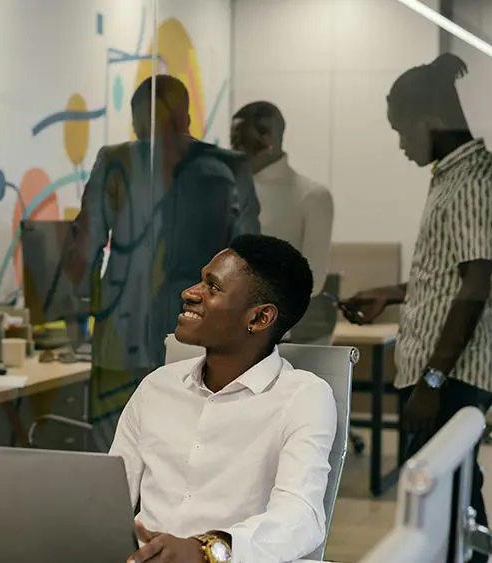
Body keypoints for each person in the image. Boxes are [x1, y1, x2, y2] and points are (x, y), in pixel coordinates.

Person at [341, 53, 492, 561]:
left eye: (401, 131)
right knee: (451, 498)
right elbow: (446, 274)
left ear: (428, 122)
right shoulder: (451, 175)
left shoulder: (474, 179)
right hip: (441, 370)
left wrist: (433, 381)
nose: (401, 144)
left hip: (453, 374)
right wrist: (390, 294)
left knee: (447, 501)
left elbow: (475, 286)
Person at [111, 234, 336, 563]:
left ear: (259, 318)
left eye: (212, 287)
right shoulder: (157, 387)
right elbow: (110, 499)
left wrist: (205, 551)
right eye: (200, 281)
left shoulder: (302, 396)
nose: (190, 293)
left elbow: (301, 517)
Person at [67, 75, 260, 450]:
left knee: (121, 442)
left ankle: (121, 507)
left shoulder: (117, 160)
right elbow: (248, 260)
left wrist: (75, 317)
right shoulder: (228, 166)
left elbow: (85, 246)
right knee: (183, 440)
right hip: (181, 330)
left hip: (140, 332)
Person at [231, 102, 333, 296]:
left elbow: (313, 282)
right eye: (233, 142)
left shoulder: (313, 197)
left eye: (240, 141)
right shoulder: (225, 188)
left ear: (267, 139)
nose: (233, 150)